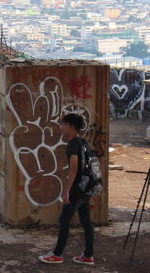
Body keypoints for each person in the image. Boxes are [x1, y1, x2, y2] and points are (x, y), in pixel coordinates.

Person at [39, 113, 95, 265]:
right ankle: (88, 255)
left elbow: (74, 169)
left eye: (62, 124)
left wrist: (66, 191)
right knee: (86, 221)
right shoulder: (83, 142)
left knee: (64, 221)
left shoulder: (73, 145)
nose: (60, 126)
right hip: (86, 188)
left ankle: (57, 254)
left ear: (70, 127)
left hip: (77, 189)